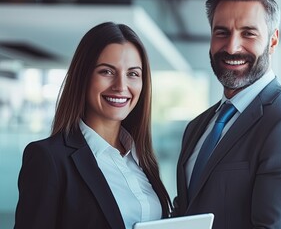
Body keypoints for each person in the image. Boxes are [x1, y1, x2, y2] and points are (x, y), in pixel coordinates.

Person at [174, 0, 281, 228]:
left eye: (248, 34)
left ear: (273, 41)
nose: (232, 47)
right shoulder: (197, 127)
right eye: (222, 32)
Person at [15, 22, 172, 229]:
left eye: (133, 74)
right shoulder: (48, 158)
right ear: (83, 76)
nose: (121, 86)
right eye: (107, 71)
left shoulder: (142, 160)